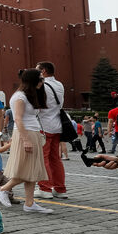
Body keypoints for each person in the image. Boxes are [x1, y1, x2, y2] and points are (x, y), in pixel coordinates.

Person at [0, 68, 53, 214]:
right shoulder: (20, 97)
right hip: (26, 133)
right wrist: (25, 139)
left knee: (32, 169)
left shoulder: (28, 95)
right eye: (40, 79)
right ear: (31, 80)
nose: (42, 82)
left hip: (32, 132)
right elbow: (18, 118)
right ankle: (3, 189)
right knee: (26, 169)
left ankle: (29, 203)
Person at [34, 61, 68, 199]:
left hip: (44, 125)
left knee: (43, 159)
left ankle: (45, 188)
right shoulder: (59, 84)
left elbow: (38, 107)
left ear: (43, 71)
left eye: (37, 70)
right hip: (57, 125)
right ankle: (59, 188)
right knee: (55, 159)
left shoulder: (42, 85)